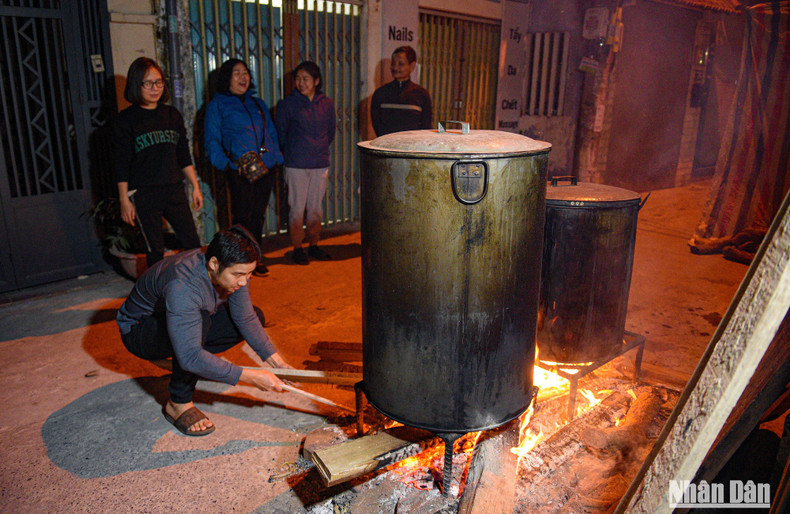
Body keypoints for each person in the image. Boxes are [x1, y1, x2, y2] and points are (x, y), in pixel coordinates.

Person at [116, 226, 290, 436]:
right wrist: (249, 376)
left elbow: (244, 317)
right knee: (197, 332)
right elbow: (189, 356)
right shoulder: (183, 285)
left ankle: (194, 361)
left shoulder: (228, 265)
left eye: (249, 274)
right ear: (214, 264)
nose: (244, 282)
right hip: (140, 331)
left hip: (177, 318)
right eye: (239, 275)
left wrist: (277, 363)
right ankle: (178, 403)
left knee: (255, 315)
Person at [113, 57, 203, 267]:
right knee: (155, 249)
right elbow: (121, 161)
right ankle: (155, 294)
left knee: (192, 242)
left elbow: (183, 154)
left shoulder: (172, 115)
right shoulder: (126, 119)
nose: (155, 88)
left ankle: (198, 287)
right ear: (137, 85)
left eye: (159, 82)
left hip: (174, 188)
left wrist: (195, 186)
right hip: (144, 193)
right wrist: (124, 199)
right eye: (148, 83)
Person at [204, 58, 284, 276]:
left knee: (258, 215)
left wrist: (275, 157)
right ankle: (239, 261)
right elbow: (212, 140)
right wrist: (226, 165)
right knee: (241, 217)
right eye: (236, 73)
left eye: (245, 72)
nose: (243, 77)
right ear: (226, 78)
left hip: (265, 168)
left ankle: (255, 258)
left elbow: (272, 133)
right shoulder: (217, 104)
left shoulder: (257, 103)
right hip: (238, 170)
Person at [275, 61, 336, 265]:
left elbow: (330, 133)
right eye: (298, 79)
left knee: (316, 208)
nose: (301, 83)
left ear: (316, 81)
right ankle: (297, 247)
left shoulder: (326, 104)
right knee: (297, 207)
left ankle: (314, 244)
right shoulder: (287, 105)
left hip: (320, 162)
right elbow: (281, 135)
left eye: (306, 79)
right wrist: (293, 152)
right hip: (296, 164)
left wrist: (317, 148)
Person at [370, 46, 432, 136]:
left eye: (401, 64)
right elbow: (376, 123)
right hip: (386, 147)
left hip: (411, 148)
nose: (395, 68)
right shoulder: (380, 93)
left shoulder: (421, 94)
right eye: (393, 63)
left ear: (412, 66)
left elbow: (426, 127)